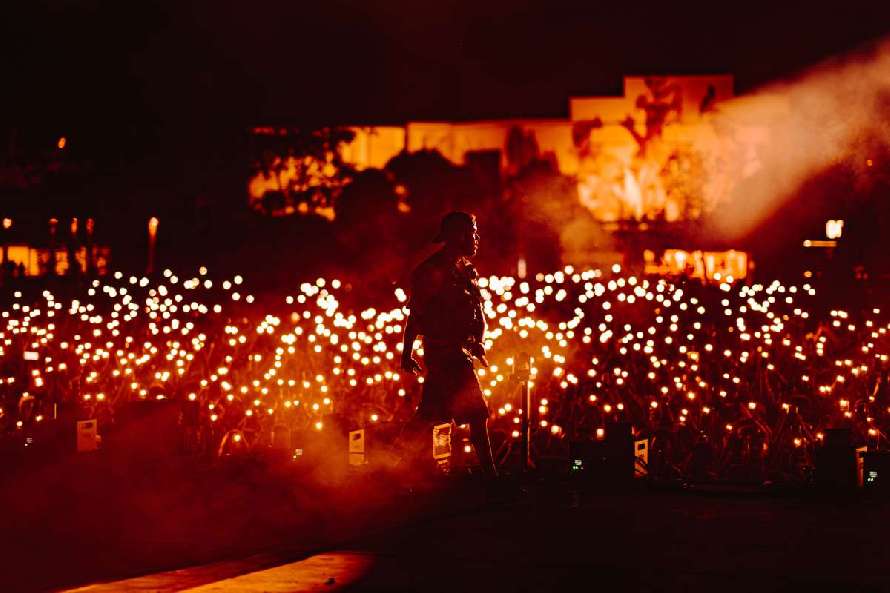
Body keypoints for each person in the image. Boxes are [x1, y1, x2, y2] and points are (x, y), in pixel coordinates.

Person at [401, 211, 497, 477]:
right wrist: (406, 353)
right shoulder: (431, 271)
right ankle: (492, 477)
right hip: (445, 355)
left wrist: (478, 340)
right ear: (454, 236)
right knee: (477, 414)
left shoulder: (466, 270)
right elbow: (416, 316)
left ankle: (392, 463)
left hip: (460, 352)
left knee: (430, 417)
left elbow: (476, 311)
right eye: (468, 233)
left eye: (474, 232)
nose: (474, 238)